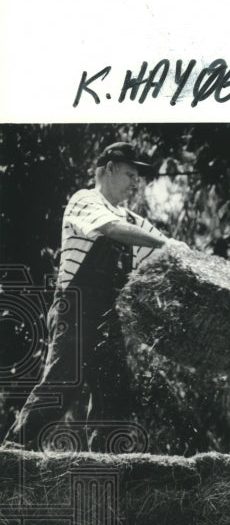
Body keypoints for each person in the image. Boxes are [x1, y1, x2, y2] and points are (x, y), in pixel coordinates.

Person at [3, 142, 187, 452]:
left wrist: (178, 250)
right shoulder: (85, 200)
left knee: (114, 390)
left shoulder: (132, 219)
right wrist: (165, 242)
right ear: (109, 168)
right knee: (64, 381)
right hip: (74, 305)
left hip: (107, 314)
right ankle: (13, 450)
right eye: (130, 174)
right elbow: (113, 229)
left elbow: (159, 249)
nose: (135, 183)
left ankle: (104, 461)